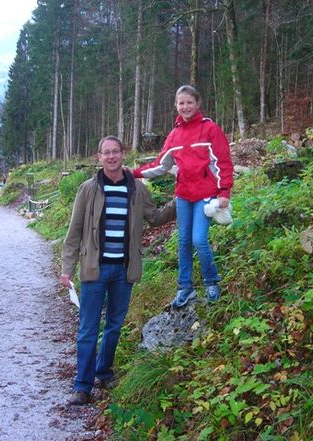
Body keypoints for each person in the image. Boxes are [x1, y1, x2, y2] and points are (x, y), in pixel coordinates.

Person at [60, 135, 176, 406]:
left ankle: (103, 371)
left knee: (114, 326)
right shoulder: (88, 190)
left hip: (124, 271)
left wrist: (181, 201)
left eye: (116, 152)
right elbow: (74, 232)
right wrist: (67, 268)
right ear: (98, 157)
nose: (111, 157)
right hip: (94, 270)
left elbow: (155, 217)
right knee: (88, 329)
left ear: (123, 154)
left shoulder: (137, 188)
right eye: (106, 153)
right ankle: (82, 386)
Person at [133, 85, 234, 309]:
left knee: (199, 240)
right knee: (183, 242)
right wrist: (135, 172)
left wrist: (224, 191)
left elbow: (223, 163)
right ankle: (185, 288)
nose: (185, 106)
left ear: (197, 104)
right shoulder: (175, 134)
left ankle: (211, 282)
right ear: (176, 106)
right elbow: (161, 165)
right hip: (183, 197)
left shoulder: (210, 130)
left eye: (189, 102)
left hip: (206, 196)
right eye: (181, 103)